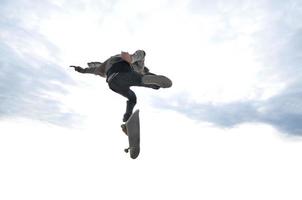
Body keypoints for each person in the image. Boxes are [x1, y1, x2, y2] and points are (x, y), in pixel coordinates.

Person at [70, 50, 171, 122]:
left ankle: (127, 117)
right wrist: (132, 59)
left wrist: (81, 69)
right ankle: (145, 79)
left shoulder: (106, 64)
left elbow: (92, 70)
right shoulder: (139, 67)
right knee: (142, 64)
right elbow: (142, 55)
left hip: (113, 82)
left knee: (132, 98)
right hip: (123, 71)